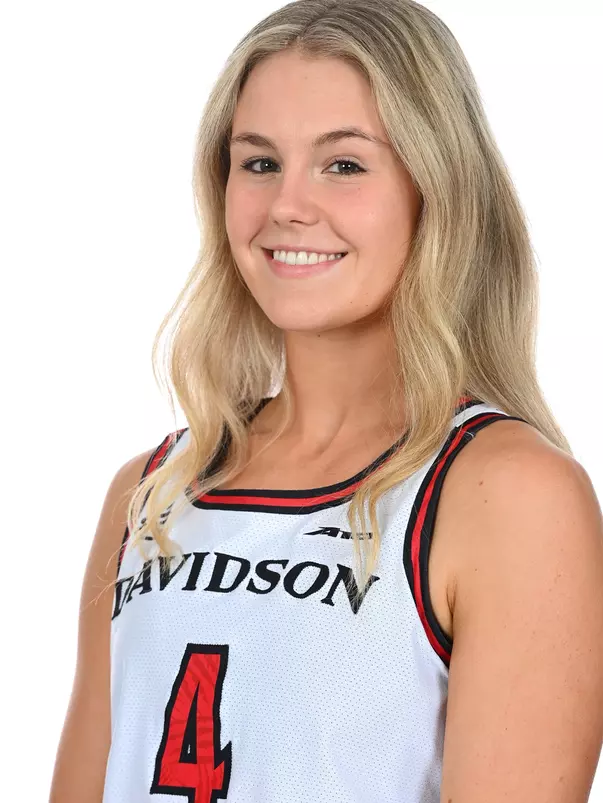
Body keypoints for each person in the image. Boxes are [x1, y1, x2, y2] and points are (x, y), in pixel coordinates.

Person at [49, 1, 603, 801]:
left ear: (436, 186)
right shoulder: (150, 492)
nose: (286, 204)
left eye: (343, 164)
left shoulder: (508, 496)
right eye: (258, 162)